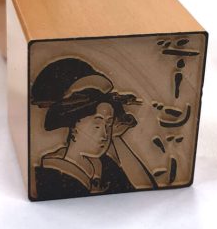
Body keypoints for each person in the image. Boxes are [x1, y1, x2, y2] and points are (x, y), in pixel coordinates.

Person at [30, 57, 156, 199]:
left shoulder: (101, 164)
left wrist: (116, 137)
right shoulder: (54, 172)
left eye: (108, 124)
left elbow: (145, 188)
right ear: (74, 126)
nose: (104, 134)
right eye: (96, 125)